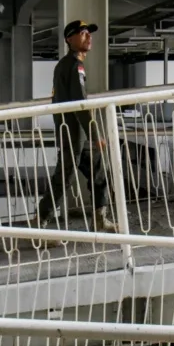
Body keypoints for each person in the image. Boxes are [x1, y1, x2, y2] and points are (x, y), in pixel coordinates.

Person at [34, 20, 118, 233]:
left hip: (74, 133)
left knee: (99, 173)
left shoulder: (64, 65)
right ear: (69, 39)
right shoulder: (74, 65)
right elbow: (80, 104)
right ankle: (38, 226)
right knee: (63, 181)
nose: (88, 36)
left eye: (89, 33)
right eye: (82, 33)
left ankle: (100, 219)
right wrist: (95, 133)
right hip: (75, 135)